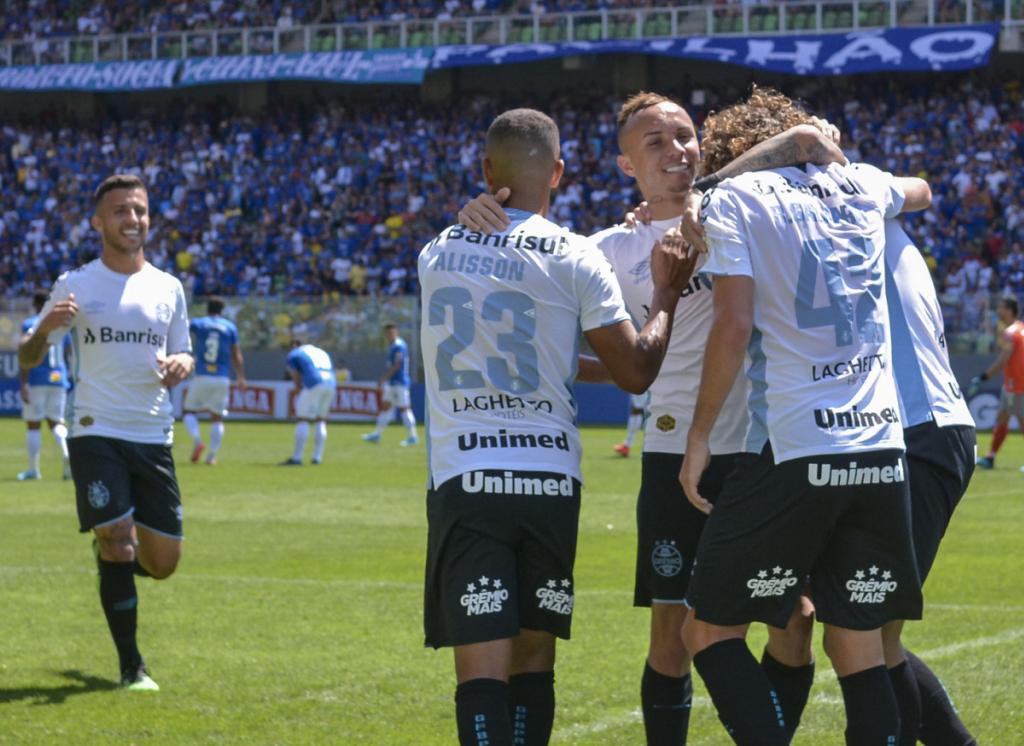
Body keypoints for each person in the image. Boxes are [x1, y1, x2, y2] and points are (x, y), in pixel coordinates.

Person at [457, 92, 845, 745]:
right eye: (655, 142)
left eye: (685, 135)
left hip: (766, 447)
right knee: (671, 634)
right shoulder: (606, 250)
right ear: (626, 165)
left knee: (795, 620)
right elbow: (550, 339)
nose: (676, 150)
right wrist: (480, 215)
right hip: (672, 457)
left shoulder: (747, 214)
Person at [421, 107, 696, 746]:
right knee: (535, 659)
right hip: (548, 480)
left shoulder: (435, 252)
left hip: (467, 475)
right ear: (560, 173)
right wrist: (666, 294)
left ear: (486, 171)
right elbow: (636, 371)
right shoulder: (576, 256)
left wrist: (469, 211)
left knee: (480, 669)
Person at [678, 88, 930, 745]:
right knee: (861, 647)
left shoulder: (731, 197)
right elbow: (922, 190)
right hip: (881, 448)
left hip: (795, 444)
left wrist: (698, 437)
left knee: (707, 630)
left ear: (731, 152)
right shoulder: (861, 184)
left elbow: (733, 325)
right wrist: (831, 156)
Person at [18, 173, 194, 691]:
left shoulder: (168, 287)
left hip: (153, 433)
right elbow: (28, 357)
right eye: (120, 211)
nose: (132, 219)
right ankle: (132, 667)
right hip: (95, 429)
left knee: (163, 563)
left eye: (139, 210)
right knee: (119, 541)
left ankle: (110, 556)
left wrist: (182, 364)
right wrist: (44, 328)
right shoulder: (76, 283)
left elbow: (183, 350)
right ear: (98, 223)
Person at [181, 296, 246, 466]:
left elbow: (181, 326)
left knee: (188, 412)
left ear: (207, 308)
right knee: (217, 417)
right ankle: (211, 457)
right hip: (222, 377)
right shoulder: (230, 327)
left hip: (202, 375)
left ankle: (197, 440)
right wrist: (240, 376)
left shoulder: (200, 323)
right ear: (222, 310)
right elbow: (236, 355)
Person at [17, 289, 72, 481]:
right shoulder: (62, 325)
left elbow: (24, 353)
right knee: (57, 423)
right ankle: (67, 454)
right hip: (58, 378)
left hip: (37, 378)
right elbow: (68, 353)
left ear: (35, 304)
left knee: (33, 425)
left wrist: (23, 382)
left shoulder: (30, 324)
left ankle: (34, 470)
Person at [970, 297, 1024, 470]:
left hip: (1016, 386)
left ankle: (990, 457)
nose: (998, 311)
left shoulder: (1010, 333)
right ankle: (990, 457)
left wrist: (983, 377)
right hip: (1012, 385)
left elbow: (1002, 360)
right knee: (1002, 418)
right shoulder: (1021, 329)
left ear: (1009, 311)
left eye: (1001, 308)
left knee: (1019, 422)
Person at [361, 323, 418, 446]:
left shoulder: (399, 345)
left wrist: (383, 378)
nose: (389, 335)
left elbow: (397, 365)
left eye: (391, 332)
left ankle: (413, 436)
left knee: (404, 409)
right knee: (386, 407)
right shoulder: (393, 346)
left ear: (396, 332)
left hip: (400, 382)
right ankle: (376, 434)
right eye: (387, 333)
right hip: (392, 383)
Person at [281, 339, 336, 465]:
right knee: (320, 419)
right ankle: (317, 457)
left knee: (303, 419)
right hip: (331, 384)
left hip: (314, 383)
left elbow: (294, 373)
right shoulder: (321, 352)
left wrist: (297, 388)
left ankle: (297, 458)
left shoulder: (295, 353)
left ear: (294, 346)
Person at [614, 392, 648, 457]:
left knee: (637, 413)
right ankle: (626, 446)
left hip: (641, 409)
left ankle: (626, 447)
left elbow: (639, 406)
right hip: (640, 410)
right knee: (633, 429)